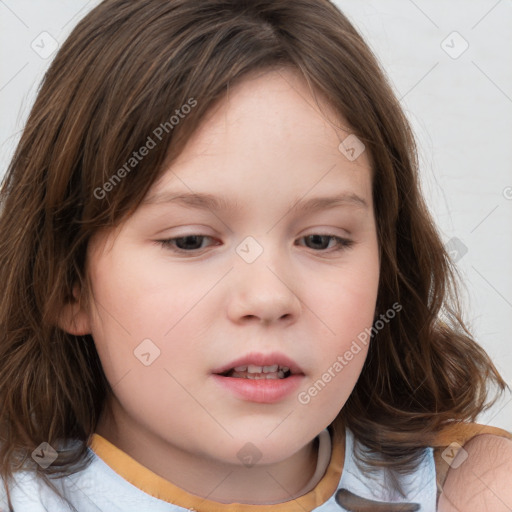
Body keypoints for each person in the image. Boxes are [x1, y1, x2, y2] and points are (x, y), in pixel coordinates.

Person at [0, 1, 511, 511]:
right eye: (190, 241)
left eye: (321, 240)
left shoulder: (469, 489)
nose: (268, 298)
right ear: (66, 282)